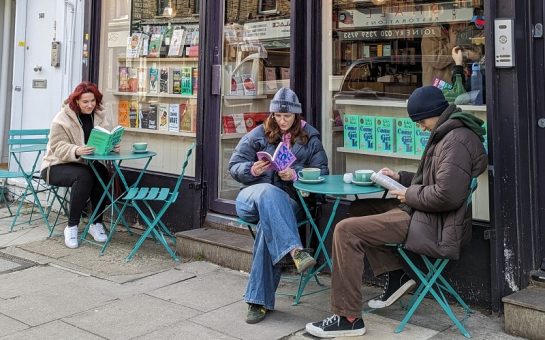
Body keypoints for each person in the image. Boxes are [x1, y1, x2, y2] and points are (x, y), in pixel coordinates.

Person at [306, 86, 488, 337]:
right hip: (424, 213)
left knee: (346, 231)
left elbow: (447, 195)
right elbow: (438, 181)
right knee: (360, 208)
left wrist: (408, 194)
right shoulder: (449, 134)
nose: (420, 127)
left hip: (432, 223)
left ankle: (348, 318)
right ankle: (395, 277)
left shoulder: (455, 141)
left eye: (421, 120)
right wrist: (400, 177)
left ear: (435, 113)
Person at [229, 87, 329, 324]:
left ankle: (257, 302)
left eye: (287, 116)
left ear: (297, 116)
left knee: (268, 223)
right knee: (268, 192)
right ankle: (295, 250)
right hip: (251, 197)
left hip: (287, 202)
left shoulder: (310, 138)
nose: (282, 121)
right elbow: (234, 165)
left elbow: (323, 173)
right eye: (277, 116)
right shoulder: (257, 134)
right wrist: (251, 169)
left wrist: (295, 175)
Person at [41, 81, 120, 249]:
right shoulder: (62, 119)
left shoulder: (100, 115)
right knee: (84, 176)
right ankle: (71, 227)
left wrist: (112, 146)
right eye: (85, 102)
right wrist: (77, 150)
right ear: (76, 101)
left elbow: (102, 140)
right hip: (56, 165)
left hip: (86, 164)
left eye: (93, 101)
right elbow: (57, 147)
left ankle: (96, 223)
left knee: (101, 172)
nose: (90, 105)